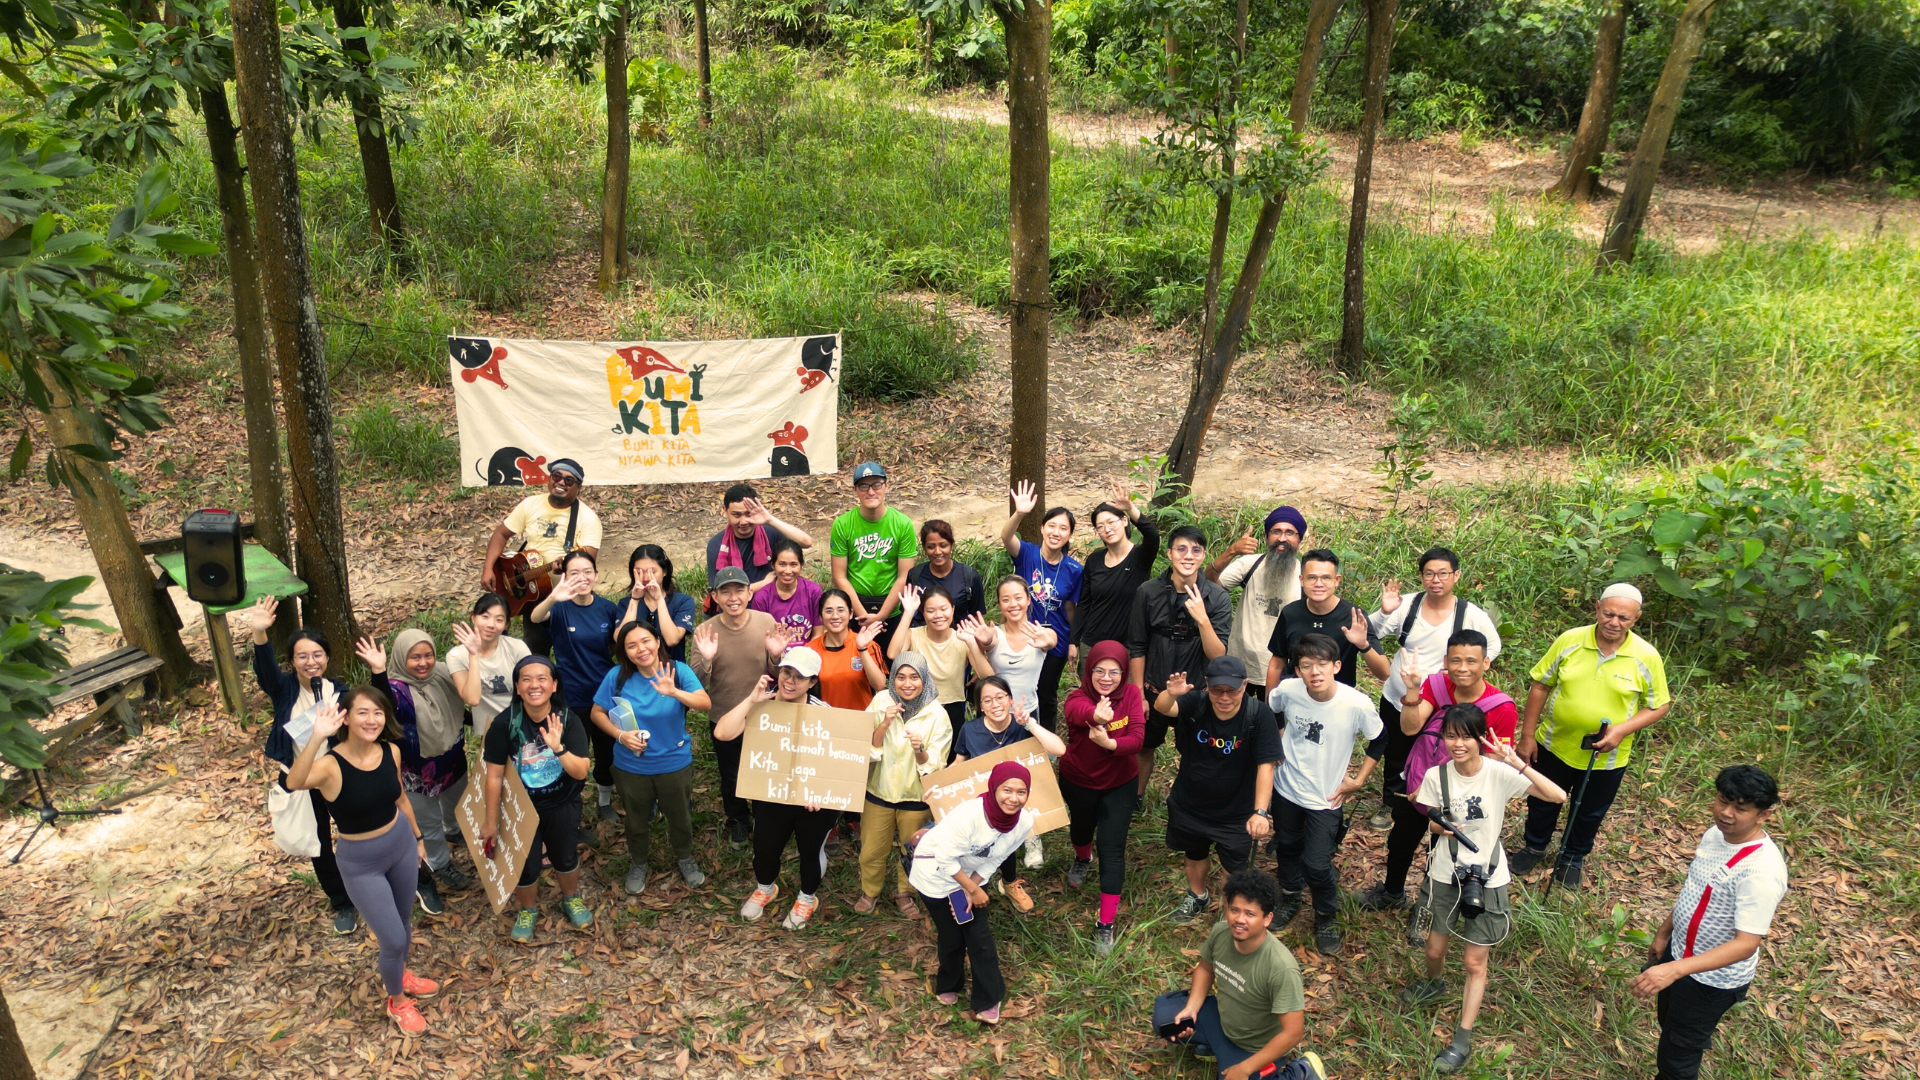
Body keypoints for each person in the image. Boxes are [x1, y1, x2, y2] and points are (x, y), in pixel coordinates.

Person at [1401, 705, 1567, 1074]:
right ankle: (1435, 983)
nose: (1457, 744)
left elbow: (1558, 797)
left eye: (1466, 736)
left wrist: (1516, 762)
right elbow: (1430, 823)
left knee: (1474, 961)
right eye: (1450, 736)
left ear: (1480, 738)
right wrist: (1440, 830)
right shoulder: (1435, 775)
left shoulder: (1497, 773)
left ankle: (1461, 1038)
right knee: (1433, 947)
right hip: (1445, 872)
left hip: (1488, 876)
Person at [285, 691, 440, 1034]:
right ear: (345, 719)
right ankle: (397, 1002)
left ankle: (400, 975)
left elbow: (399, 797)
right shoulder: (329, 765)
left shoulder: (391, 751)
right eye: (363, 713)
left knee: (403, 922)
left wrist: (416, 839)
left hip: (399, 843)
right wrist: (317, 735)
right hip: (361, 863)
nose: (372, 720)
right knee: (392, 939)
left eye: (378, 713)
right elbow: (294, 782)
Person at [1630, 765, 1787, 1080]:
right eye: (1722, 801)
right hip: (1679, 955)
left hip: (1712, 981)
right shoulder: (1717, 835)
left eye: (1740, 809)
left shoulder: (1761, 872)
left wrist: (1674, 970)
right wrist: (1665, 933)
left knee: (1679, 1054)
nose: (1726, 813)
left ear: (1763, 815)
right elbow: (1696, 888)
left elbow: (1746, 944)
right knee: (1671, 1024)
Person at [1514, 583, 1672, 889]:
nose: (1615, 622)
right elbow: (1541, 686)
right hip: (1554, 744)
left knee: (1589, 810)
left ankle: (1573, 855)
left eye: (1624, 618)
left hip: (1607, 755)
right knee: (1542, 800)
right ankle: (1534, 845)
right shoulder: (1570, 640)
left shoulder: (1645, 656)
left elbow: (1659, 705)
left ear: (1636, 618)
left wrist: (1621, 731)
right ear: (1597, 608)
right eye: (1609, 613)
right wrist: (1527, 735)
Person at [1359, 629, 1517, 914]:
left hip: (1463, 792)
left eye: (1472, 661)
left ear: (1486, 663)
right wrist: (1412, 690)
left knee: (1445, 851)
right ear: (1446, 660)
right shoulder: (1437, 685)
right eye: (1456, 661)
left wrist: (1444, 790)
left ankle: (1430, 906)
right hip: (1420, 780)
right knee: (1401, 840)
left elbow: (1494, 764)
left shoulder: (1501, 708)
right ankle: (1393, 891)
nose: (1463, 668)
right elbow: (1410, 727)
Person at [1363, 547, 1503, 831]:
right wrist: (1384, 611)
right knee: (1397, 751)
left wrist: (1458, 673)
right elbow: (1369, 632)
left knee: (1438, 750)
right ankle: (1393, 802)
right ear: (1422, 576)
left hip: (1442, 701)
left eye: (1443, 573)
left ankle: (1438, 803)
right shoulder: (1408, 605)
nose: (1435, 579)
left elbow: (1493, 646)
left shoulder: (1469, 614)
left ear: (1456, 576)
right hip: (1400, 696)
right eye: (1429, 573)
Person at [1152, 869, 1326, 1080]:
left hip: (1254, 1045)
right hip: (1222, 1019)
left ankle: (1301, 1071)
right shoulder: (1221, 931)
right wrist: (1191, 1009)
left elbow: (1293, 1033)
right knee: (1164, 1022)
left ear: (1267, 919)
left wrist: (1244, 1068)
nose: (1239, 919)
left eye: (1250, 914)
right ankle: (1214, 1048)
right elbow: (1206, 968)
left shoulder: (1281, 968)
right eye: (1235, 910)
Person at [1267, 633, 1381, 954]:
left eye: (1321, 664)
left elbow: (1380, 738)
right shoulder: (1288, 690)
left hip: (1326, 798)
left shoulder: (1355, 704)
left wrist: (1359, 779)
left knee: (1317, 864)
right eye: (1306, 666)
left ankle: (1325, 913)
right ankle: (1289, 897)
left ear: (1337, 666)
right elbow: (1272, 707)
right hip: (1286, 788)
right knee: (1287, 847)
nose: (1314, 672)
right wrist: (1276, 741)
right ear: (1297, 670)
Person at [247, 596, 355, 933]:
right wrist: (259, 634)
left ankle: (367, 883)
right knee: (319, 842)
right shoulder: (285, 689)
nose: (311, 662)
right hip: (301, 778)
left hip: (336, 776)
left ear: (327, 657)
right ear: (292, 661)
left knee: (356, 831)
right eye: (302, 656)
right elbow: (265, 673)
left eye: (317, 655)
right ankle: (342, 903)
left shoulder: (340, 691)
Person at [1147, 656, 1280, 924]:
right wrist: (1170, 694)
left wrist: (1260, 812)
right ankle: (1197, 895)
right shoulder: (1196, 702)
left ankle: (1227, 908)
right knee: (1194, 853)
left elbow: (1267, 764)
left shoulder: (1258, 714)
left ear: (1244, 685)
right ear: (1207, 685)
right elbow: (1164, 709)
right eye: (1218, 690)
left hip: (1236, 810)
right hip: (1191, 801)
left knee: (1234, 866)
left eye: (1232, 691)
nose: (1224, 697)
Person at [713, 649, 838, 929]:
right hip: (771, 793)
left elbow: (839, 760)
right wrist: (751, 701)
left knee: (811, 850)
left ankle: (807, 897)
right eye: (786, 672)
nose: (790, 681)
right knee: (765, 848)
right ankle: (766, 888)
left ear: (812, 681)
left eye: (799, 677)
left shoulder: (824, 713)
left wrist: (821, 790)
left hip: (811, 801)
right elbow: (722, 733)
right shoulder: (761, 703)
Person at [908, 761, 1038, 1025]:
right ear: (993, 788)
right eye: (1007, 790)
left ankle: (989, 998)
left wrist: (973, 889)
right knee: (951, 935)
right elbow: (944, 859)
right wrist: (972, 890)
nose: (1013, 798)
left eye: (1021, 792)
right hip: (934, 874)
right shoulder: (969, 815)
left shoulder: (1023, 821)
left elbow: (996, 858)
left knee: (978, 936)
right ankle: (949, 982)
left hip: (970, 876)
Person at [354, 631, 473, 915]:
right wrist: (378, 671)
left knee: (457, 802)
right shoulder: (396, 688)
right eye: (415, 657)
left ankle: (455, 830)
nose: (424, 663)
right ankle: (441, 863)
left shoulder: (443, 674)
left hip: (452, 758)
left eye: (428, 655)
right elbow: (385, 703)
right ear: (401, 658)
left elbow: (465, 701)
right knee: (427, 822)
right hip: (416, 771)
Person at [590, 620, 712, 896]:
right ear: (624, 652)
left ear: (657, 641)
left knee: (679, 815)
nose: (640, 649)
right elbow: (596, 713)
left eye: (646, 641)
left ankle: (685, 857)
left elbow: (704, 703)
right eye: (631, 645)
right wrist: (620, 736)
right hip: (630, 765)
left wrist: (674, 692)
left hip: (673, 762)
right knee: (635, 818)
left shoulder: (677, 671)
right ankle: (639, 862)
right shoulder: (617, 677)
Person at [480, 655, 594, 944]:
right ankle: (528, 910)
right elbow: (493, 776)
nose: (534, 685)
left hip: (562, 802)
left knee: (565, 855)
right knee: (525, 864)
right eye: (526, 679)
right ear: (517, 687)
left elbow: (581, 771)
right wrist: (490, 822)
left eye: (542, 678)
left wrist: (557, 748)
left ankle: (571, 898)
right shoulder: (504, 725)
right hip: (520, 808)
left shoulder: (568, 719)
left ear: (554, 685)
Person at [1129, 525, 1233, 808]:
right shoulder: (1148, 592)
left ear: (1203, 556)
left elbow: (1218, 654)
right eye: (1182, 549)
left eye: (1196, 550)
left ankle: (1188, 801)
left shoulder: (1217, 597)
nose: (1188, 556)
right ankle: (1135, 798)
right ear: (1169, 553)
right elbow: (1137, 645)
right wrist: (1138, 693)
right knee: (1144, 746)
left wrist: (1203, 619)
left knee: (1195, 750)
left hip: (1196, 692)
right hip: (1153, 686)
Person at [951, 675, 1067, 912]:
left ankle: (1009, 881)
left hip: (1016, 802)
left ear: (1010, 699)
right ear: (979, 707)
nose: (995, 705)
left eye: (1000, 697)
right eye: (987, 701)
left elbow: (1059, 749)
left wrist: (1030, 725)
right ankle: (967, 886)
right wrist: (938, 785)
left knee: (1008, 837)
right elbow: (959, 762)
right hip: (985, 802)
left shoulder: (1022, 725)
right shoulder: (970, 730)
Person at [1059, 640, 1145, 954]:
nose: (1106, 678)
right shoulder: (1077, 697)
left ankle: (1105, 923)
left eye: (1114, 672)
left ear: (1124, 673)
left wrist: (1110, 744)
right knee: (1081, 830)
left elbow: (1137, 739)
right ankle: (1082, 858)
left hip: (1120, 783)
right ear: (1089, 670)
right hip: (1078, 780)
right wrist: (1096, 715)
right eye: (1099, 671)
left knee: (1112, 848)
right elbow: (1076, 712)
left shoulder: (1132, 695)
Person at [692, 566, 788, 844]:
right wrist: (708, 659)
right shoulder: (705, 631)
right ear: (716, 597)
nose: (733, 597)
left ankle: (763, 816)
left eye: (738, 590)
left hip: (763, 714)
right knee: (731, 775)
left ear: (749, 592)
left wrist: (775, 656)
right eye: (725, 591)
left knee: (763, 769)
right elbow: (696, 680)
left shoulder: (766, 621)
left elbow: (777, 672)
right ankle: (737, 820)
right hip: (724, 716)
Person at [855, 652, 953, 917]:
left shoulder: (937, 715)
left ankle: (904, 892)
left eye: (914, 677)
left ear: (924, 680)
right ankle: (870, 891)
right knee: (871, 850)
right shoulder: (880, 702)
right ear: (893, 678)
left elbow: (935, 767)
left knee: (912, 850)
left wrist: (919, 750)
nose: (907, 683)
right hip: (879, 791)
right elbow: (864, 749)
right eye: (900, 677)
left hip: (915, 797)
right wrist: (885, 723)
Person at [530, 550, 621, 819]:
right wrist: (552, 597)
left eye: (587, 572)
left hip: (603, 694)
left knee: (606, 751)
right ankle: (571, 805)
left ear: (595, 574)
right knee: (572, 753)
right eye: (574, 573)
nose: (582, 578)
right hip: (571, 695)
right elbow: (535, 618)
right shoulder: (559, 607)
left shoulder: (607, 608)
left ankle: (604, 801)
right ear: (565, 577)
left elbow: (614, 647)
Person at [480, 457, 600, 657]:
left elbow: (588, 558)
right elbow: (501, 534)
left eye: (569, 480)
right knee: (535, 650)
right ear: (549, 479)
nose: (561, 482)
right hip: (530, 591)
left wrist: (568, 566)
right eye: (557, 476)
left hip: (568, 594)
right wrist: (488, 568)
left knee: (573, 650)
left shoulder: (587, 519)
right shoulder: (531, 504)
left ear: (578, 487)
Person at [1000, 481, 1083, 732]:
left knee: (1046, 692)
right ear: (1042, 528)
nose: (1056, 532)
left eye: (1063, 528)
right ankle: (1013, 733)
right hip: (1023, 634)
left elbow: (1070, 609)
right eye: (1052, 526)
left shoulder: (1074, 569)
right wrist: (1020, 512)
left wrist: (1073, 641)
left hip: (1055, 639)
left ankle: (1045, 740)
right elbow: (1006, 537)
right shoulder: (1026, 553)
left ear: (1069, 535)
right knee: (1021, 688)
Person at [1206, 506, 1307, 701]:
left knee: (1270, 724)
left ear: (1299, 540)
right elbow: (1209, 585)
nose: (1282, 538)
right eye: (1276, 531)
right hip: (1240, 665)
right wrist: (1231, 551)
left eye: (1290, 533)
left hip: (1282, 669)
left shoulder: (1307, 575)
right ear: (1267, 536)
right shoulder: (1250, 564)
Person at [888, 585, 994, 762]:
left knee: (951, 764)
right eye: (930, 610)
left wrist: (972, 643)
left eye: (944, 609)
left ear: (952, 609)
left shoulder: (962, 638)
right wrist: (908, 613)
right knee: (917, 762)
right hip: (919, 710)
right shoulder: (913, 635)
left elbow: (988, 677)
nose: (938, 615)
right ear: (923, 612)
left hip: (952, 709)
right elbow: (893, 654)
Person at [1264, 549, 1389, 691]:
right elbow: (1277, 663)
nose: (1319, 584)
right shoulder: (1290, 613)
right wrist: (1270, 706)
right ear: (1302, 580)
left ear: (1337, 580)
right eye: (1311, 578)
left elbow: (1384, 673)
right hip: (1295, 697)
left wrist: (1363, 645)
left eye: (1326, 578)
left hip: (1337, 701)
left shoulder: (1353, 617)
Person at [829, 461, 917, 640]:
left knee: (892, 662)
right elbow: (839, 576)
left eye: (877, 484)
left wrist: (881, 616)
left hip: (891, 607)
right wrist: (863, 617)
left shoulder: (902, 524)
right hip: (855, 607)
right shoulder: (843, 524)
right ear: (855, 490)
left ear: (886, 486)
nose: (871, 491)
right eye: (864, 486)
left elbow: (904, 576)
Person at [1074, 482, 1159, 654]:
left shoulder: (1140, 557)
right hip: (1092, 644)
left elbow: (1153, 536)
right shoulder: (1095, 560)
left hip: (1128, 646)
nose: (1107, 529)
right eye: (1100, 526)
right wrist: (1073, 641)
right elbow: (1084, 603)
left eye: (1111, 522)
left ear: (1125, 521)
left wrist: (1130, 508)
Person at [970, 576, 1059, 723]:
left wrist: (1048, 642)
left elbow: (1050, 641)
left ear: (1028, 599)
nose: (1013, 604)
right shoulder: (994, 633)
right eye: (1005, 600)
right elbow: (989, 642)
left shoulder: (1041, 634)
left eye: (1018, 598)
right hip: (995, 713)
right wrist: (985, 641)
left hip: (1028, 712)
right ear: (999, 604)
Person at [704, 482, 815, 598]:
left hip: (769, 604)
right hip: (736, 607)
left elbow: (806, 542)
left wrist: (769, 520)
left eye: (748, 514)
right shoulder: (716, 545)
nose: (743, 521)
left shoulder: (771, 534)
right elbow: (719, 593)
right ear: (725, 511)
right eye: (736, 515)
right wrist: (764, 584)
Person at [448, 592, 532, 740]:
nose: (491, 624)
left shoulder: (517, 648)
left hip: (523, 725)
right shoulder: (456, 656)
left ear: (506, 624)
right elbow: (473, 699)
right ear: (474, 618)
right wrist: (473, 655)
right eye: (485, 617)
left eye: (499, 619)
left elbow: (532, 688)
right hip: (489, 730)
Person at [808, 589, 890, 709]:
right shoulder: (810, 650)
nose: (835, 616)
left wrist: (862, 649)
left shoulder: (869, 645)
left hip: (861, 719)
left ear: (851, 614)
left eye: (841, 610)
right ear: (820, 616)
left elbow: (880, 685)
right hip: (824, 721)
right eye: (829, 611)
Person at [621, 544, 696, 663]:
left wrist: (659, 600)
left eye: (652, 571)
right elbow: (620, 639)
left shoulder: (683, 602)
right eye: (639, 572)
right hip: (636, 673)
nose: (646, 577)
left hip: (672, 673)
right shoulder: (626, 604)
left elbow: (672, 639)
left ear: (664, 571)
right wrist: (634, 600)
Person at [906, 519, 985, 626]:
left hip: (959, 638)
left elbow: (976, 617)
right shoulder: (915, 576)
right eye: (931, 547)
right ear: (924, 548)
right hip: (922, 639)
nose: (937, 552)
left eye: (943, 545)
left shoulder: (969, 577)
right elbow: (907, 615)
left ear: (952, 545)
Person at [749, 538, 825, 641]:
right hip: (775, 655)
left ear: (801, 566)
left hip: (808, 653)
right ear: (773, 565)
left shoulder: (813, 592)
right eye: (782, 564)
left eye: (793, 564)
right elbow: (760, 639)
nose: (788, 571)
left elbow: (818, 635)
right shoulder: (762, 598)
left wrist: (807, 655)